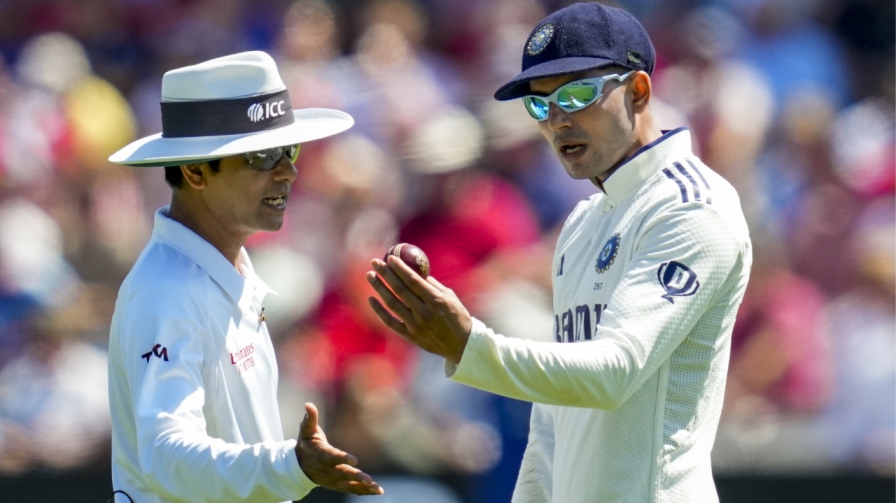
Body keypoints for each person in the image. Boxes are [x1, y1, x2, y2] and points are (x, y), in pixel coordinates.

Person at [366, 3, 752, 502]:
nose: (557, 120)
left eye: (577, 94)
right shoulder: (582, 222)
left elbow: (614, 373)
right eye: (540, 104)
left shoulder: (693, 206)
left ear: (638, 90)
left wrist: (468, 346)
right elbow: (551, 423)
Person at [107, 51, 383, 502]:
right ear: (195, 171)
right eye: (262, 156)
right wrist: (290, 466)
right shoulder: (166, 292)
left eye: (288, 150)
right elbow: (163, 453)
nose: (289, 171)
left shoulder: (225, 270)